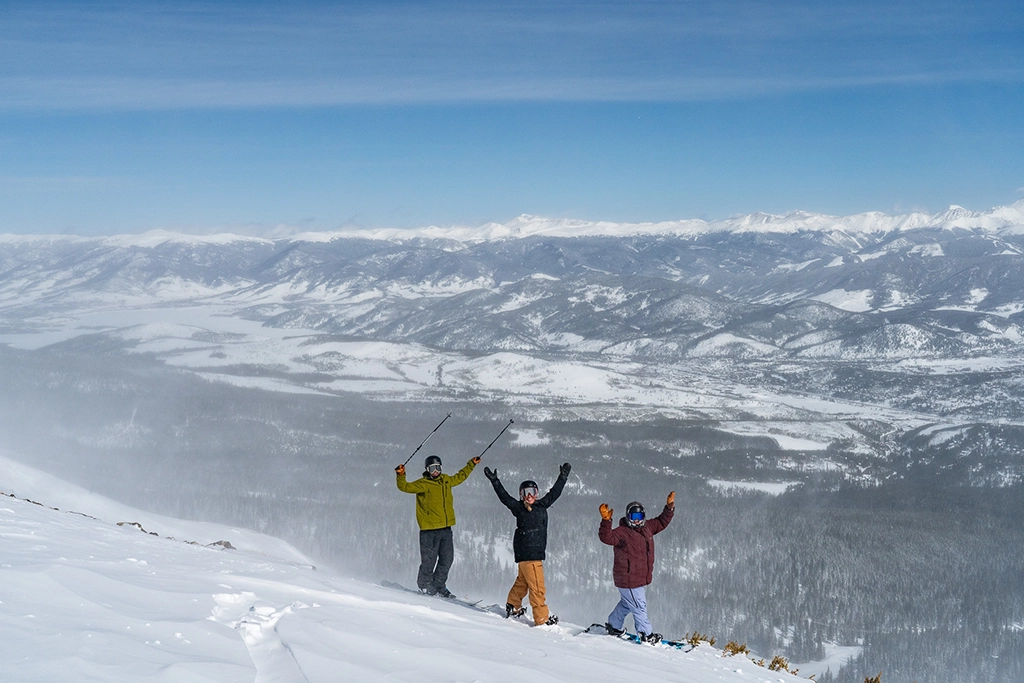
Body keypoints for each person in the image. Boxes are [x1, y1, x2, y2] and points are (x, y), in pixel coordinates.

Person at [483, 462, 571, 627]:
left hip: (526, 555)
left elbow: (555, 492)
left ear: (537, 493)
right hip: (531, 555)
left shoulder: (542, 505)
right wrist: (495, 482)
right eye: (525, 493)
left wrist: (563, 477)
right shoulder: (519, 508)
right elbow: (505, 498)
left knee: (523, 582)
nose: (529, 496)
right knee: (537, 587)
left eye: (532, 492)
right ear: (521, 495)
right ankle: (542, 618)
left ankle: (513, 604)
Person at [395, 453, 479, 598]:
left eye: (438, 468)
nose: (436, 471)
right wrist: (401, 474)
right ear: (427, 469)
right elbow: (405, 487)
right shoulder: (423, 483)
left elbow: (460, 477)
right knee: (429, 561)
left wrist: (471, 464)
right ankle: (425, 586)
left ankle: (439, 586)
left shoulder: (446, 480)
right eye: (432, 468)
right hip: (429, 530)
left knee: (447, 559)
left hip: (446, 528)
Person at [598, 491, 675, 644]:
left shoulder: (648, 527)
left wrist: (669, 508)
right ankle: (646, 634)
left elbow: (662, 522)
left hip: (636, 578)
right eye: (634, 518)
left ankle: (614, 625)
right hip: (628, 578)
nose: (637, 521)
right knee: (639, 606)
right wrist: (606, 521)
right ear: (628, 517)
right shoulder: (622, 532)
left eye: (639, 518)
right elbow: (606, 538)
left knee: (627, 603)